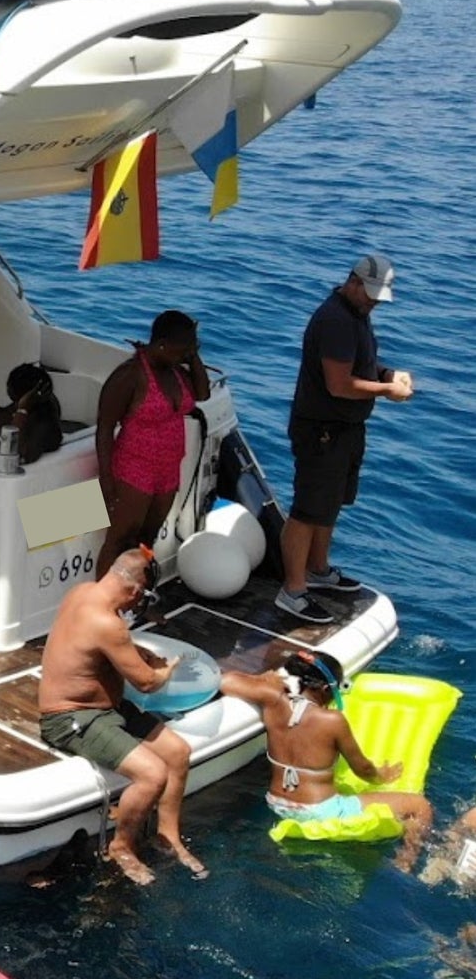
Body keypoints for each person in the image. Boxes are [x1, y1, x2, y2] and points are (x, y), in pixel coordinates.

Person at [37, 547, 206, 885]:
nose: (137, 606)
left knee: (178, 752)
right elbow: (146, 683)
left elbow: (96, 649)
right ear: (132, 591)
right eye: (140, 599)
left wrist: (135, 652)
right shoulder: (108, 623)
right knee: (152, 774)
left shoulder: (82, 591)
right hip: (72, 719)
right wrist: (167, 668)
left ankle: (168, 835)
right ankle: (122, 846)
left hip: (105, 708)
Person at [277, 253, 414, 624]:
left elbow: (359, 366)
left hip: (344, 429)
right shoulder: (336, 320)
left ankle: (318, 569)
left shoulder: (356, 316)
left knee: (331, 502)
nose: (372, 302)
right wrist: (387, 391)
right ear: (352, 281)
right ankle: (293, 590)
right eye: (369, 293)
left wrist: (387, 372)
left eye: (377, 297)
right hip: (322, 429)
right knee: (308, 509)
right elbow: (340, 384)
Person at [218, 651, 433, 869]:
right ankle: (405, 863)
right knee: (420, 806)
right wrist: (382, 776)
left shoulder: (273, 700)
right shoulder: (332, 720)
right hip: (320, 812)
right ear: (324, 689)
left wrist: (264, 680)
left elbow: (226, 680)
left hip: (277, 803)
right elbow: (363, 770)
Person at [94, 311, 210, 578]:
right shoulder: (130, 376)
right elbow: (105, 428)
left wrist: (192, 356)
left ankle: (138, 598)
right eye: (183, 350)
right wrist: (107, 480)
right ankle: (100, 608)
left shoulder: (177, 373)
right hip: (134, 468)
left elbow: (202, 393)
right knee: (120, 540)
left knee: (147, 539)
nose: (186, 355)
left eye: (192, 349)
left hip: (168, 469)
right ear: (161, 345)